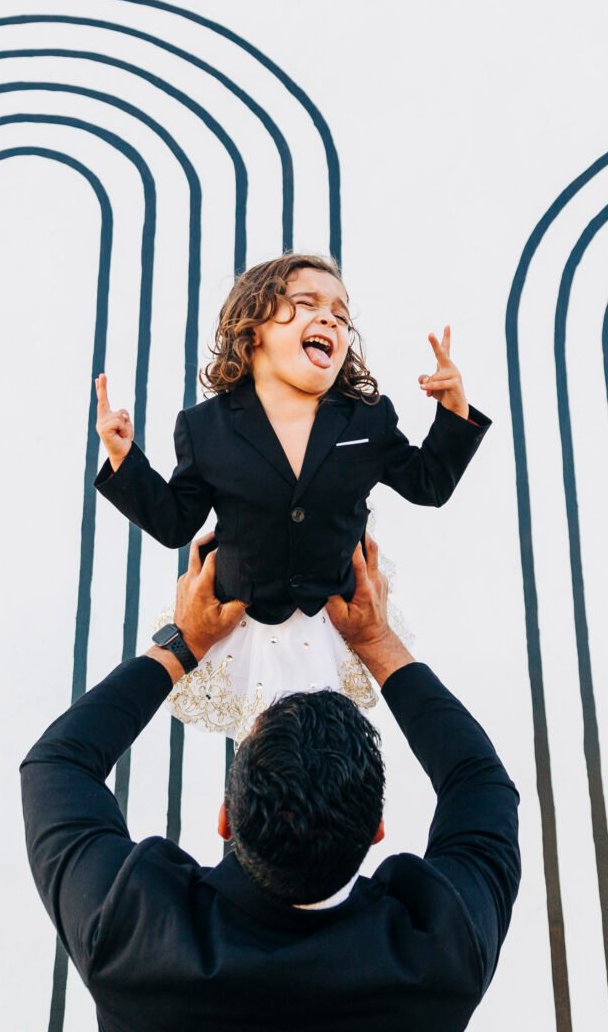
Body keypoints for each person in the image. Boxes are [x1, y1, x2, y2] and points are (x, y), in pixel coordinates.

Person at [20, 536, 520, 1032]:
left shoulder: (128, 935)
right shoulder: (445, 955)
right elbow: (479, 782)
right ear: (376, 829)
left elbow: (57, 766)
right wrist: (377, 641)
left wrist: (182, 641)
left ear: (224, 819)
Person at [92, 253, 488, 733]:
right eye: (307, 303)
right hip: (247, 627)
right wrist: (123, 459)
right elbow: (175, 522)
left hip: (335, 624)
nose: (330, 318)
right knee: (265, 754)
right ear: (252, 328)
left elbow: (429, 484)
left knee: (331, 752)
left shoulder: (368, 417)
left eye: (341, 315)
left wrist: (454, 412)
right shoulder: (205, 427)